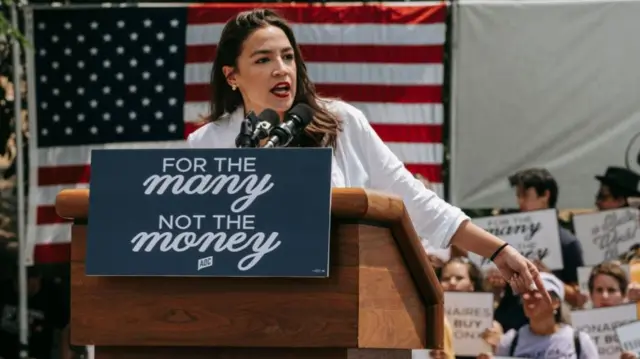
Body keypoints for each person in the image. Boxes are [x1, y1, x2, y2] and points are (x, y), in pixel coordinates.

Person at [186, 8, 549, 300]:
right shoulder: (206, 144)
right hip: (242, 305)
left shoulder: (340, 123)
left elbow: (416, 201)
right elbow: (191, 238)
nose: (281, 68)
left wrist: (498, 251)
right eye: (263, 60)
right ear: (232, 76)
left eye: (287, 56)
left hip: (338, 299)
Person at [489, 273, 599, 359]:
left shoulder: (579, 341)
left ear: (555, 302)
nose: (527, 297)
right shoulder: (510, 341)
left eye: (535, 292)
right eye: (525, 293)